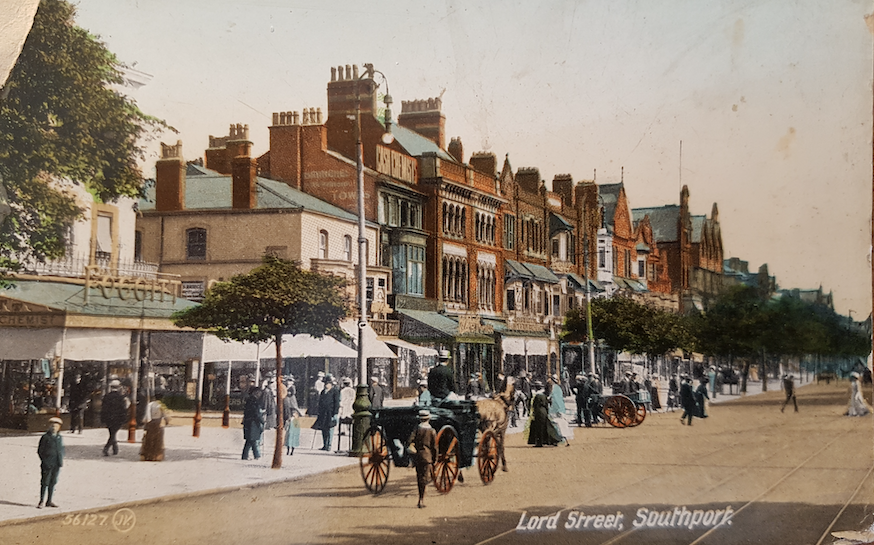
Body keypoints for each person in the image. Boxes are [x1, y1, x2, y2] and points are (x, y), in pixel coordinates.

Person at [407, 409, 437, 508]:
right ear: (428, 419)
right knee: (425, 478)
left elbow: (410, 440)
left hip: (418, 457)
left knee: (419, 478)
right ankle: (421, 500)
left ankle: (420, 499)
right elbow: (434, 447)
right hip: (427, 458)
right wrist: (435, 459)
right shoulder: (432, 431)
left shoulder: (416, 430)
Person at [37, 416, 64, 508]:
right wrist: (45, 461)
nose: (54, 428)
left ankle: (49, 501)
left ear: (59, 428)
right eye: (52, 426)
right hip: (47, 464)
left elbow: (61, 450)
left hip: (57, 463)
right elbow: (40, 451)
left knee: (53, 482)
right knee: (45, 482)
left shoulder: (59, 437)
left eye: (56, 426)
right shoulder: (45, 437)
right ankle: (41, 501)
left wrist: (60, 460)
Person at [100, 380, 129, 457]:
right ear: (119, 387)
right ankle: (106, 448)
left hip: (108, 418)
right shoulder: (121, 397)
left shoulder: (106, 396)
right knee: (113, 433)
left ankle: (115, 448)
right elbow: (123, 408)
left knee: (112, 433)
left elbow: (103, 408)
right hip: (118, 418)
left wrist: (103, 418)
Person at [312, 374, 340, 451]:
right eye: (325, 383)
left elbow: (336, 403)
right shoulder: (323, 392)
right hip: (323, 413)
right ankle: (325, 444)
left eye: (327, 383)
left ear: (331, 384)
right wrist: (318, 411)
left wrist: (335, 413)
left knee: (330, 428)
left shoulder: (335, 391)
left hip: (330, 413)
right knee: (323, 428)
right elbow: (320, 402)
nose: (326, 385)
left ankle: (329, 445)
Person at [140, 392, 169, 461]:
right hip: (158, 424)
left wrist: (147, 422)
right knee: (158, 440)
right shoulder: (162, 405)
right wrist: (166, 421)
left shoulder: (150, 404)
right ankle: (156, 456)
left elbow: (147, 415)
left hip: (151, 423)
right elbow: (165, 415)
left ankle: (148, 455)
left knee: (149, 439)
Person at [242, 386, 265, 460]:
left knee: (249, 440)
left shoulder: (250, 400)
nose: (260, 395)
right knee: (253, 440)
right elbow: (256, 413)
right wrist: (262, 420)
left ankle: (245, 456)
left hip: (249, 422)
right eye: (259, 393)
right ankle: (257, 455)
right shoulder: (253, 401)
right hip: (253, 423)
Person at [282, 381, 301, 455]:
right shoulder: (286, 398)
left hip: (294, 418)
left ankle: (292, 449)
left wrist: (293, 415)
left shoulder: (292, 398)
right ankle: (288, 449)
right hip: (289, 417)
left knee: (294, 433)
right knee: (289, 434)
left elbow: (294, 407)